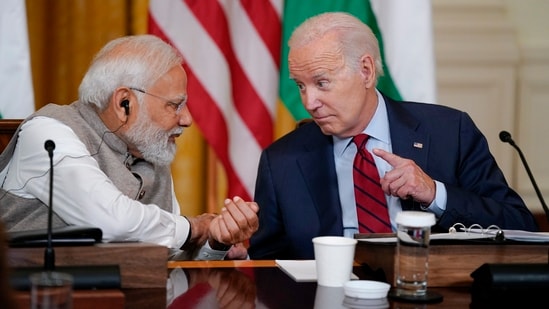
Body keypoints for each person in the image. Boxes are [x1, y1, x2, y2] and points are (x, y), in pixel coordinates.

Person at [248, 12, 538, 260]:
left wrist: (435, 193)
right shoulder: (282, 160)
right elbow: (267, 264)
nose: (309, 102)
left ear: (366, 71)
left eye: (322, 83)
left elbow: (520, 227)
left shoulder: (450, 132)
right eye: (301, 85)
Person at [0, 34, 258, 260]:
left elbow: (168, 254)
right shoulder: (48, 134)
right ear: (125, 102)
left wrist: (216, 242)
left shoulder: (148, 149)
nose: (187, 119)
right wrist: (197, 227)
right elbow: (113, 222)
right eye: (175, 105)